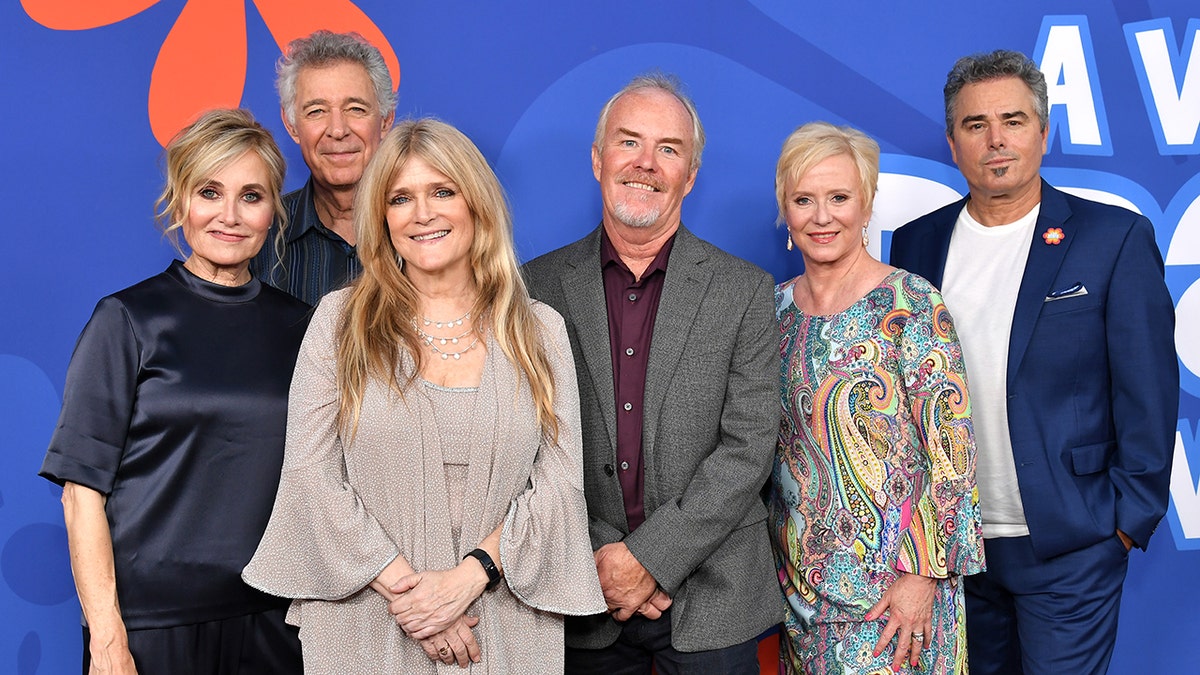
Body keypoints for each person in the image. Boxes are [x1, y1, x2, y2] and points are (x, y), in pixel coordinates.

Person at [242, 118, 605, 673]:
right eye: (401, 198)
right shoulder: (339, 324)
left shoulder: (540, 331)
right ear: (382, 218)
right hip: (367, 615)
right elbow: (312, 474)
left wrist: (468, 579)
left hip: (502, 618)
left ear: (475, 203)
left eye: (442, 191)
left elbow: (558, 485)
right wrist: (416, 598)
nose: (423, 213)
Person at [890, 49, 1178, 675]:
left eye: (1013, 121)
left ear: (1043, 133)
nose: (996, 140)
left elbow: (1149, 391)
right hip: (955, 549)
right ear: (952, 141)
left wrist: (1125, 522)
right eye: (975, 125)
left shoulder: (1113, 238)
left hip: (1071, 544)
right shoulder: (916, 243)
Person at [522, 73, 781, 674]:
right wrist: (602, 556)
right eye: (628, 142)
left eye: (668, 148)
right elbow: (520, 447)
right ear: (597, 159)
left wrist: (648, 559)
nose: (646, 163)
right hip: (583, 597)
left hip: (714, 602)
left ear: (690, 176)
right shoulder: (533, 288)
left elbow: (747, 449)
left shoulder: (742, 291)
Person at [39, 109, 310, 674]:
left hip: (275, 620)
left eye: (251, 196)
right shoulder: (127, 319)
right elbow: (79, 493)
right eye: (210, 192)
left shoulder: (305, 327)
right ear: (180, 199)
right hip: (148, 625)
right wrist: (107, 637)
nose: (230, 216)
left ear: (273, 212)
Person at [769, 121, 985, 674]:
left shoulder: (910, 302)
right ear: (785, 213)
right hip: (799, 596)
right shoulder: (771, 313)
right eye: (803, 199)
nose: (822, 216)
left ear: (866, 208)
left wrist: (924, 575)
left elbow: (952, 457)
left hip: (897, 597)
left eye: (839, 198)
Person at [250, 30, 397, 305]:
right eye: (316, 111)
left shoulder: (425, 230)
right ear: (292, 124)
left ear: (386, 120)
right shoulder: (257, 237)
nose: (338, 130)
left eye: (355, 108)